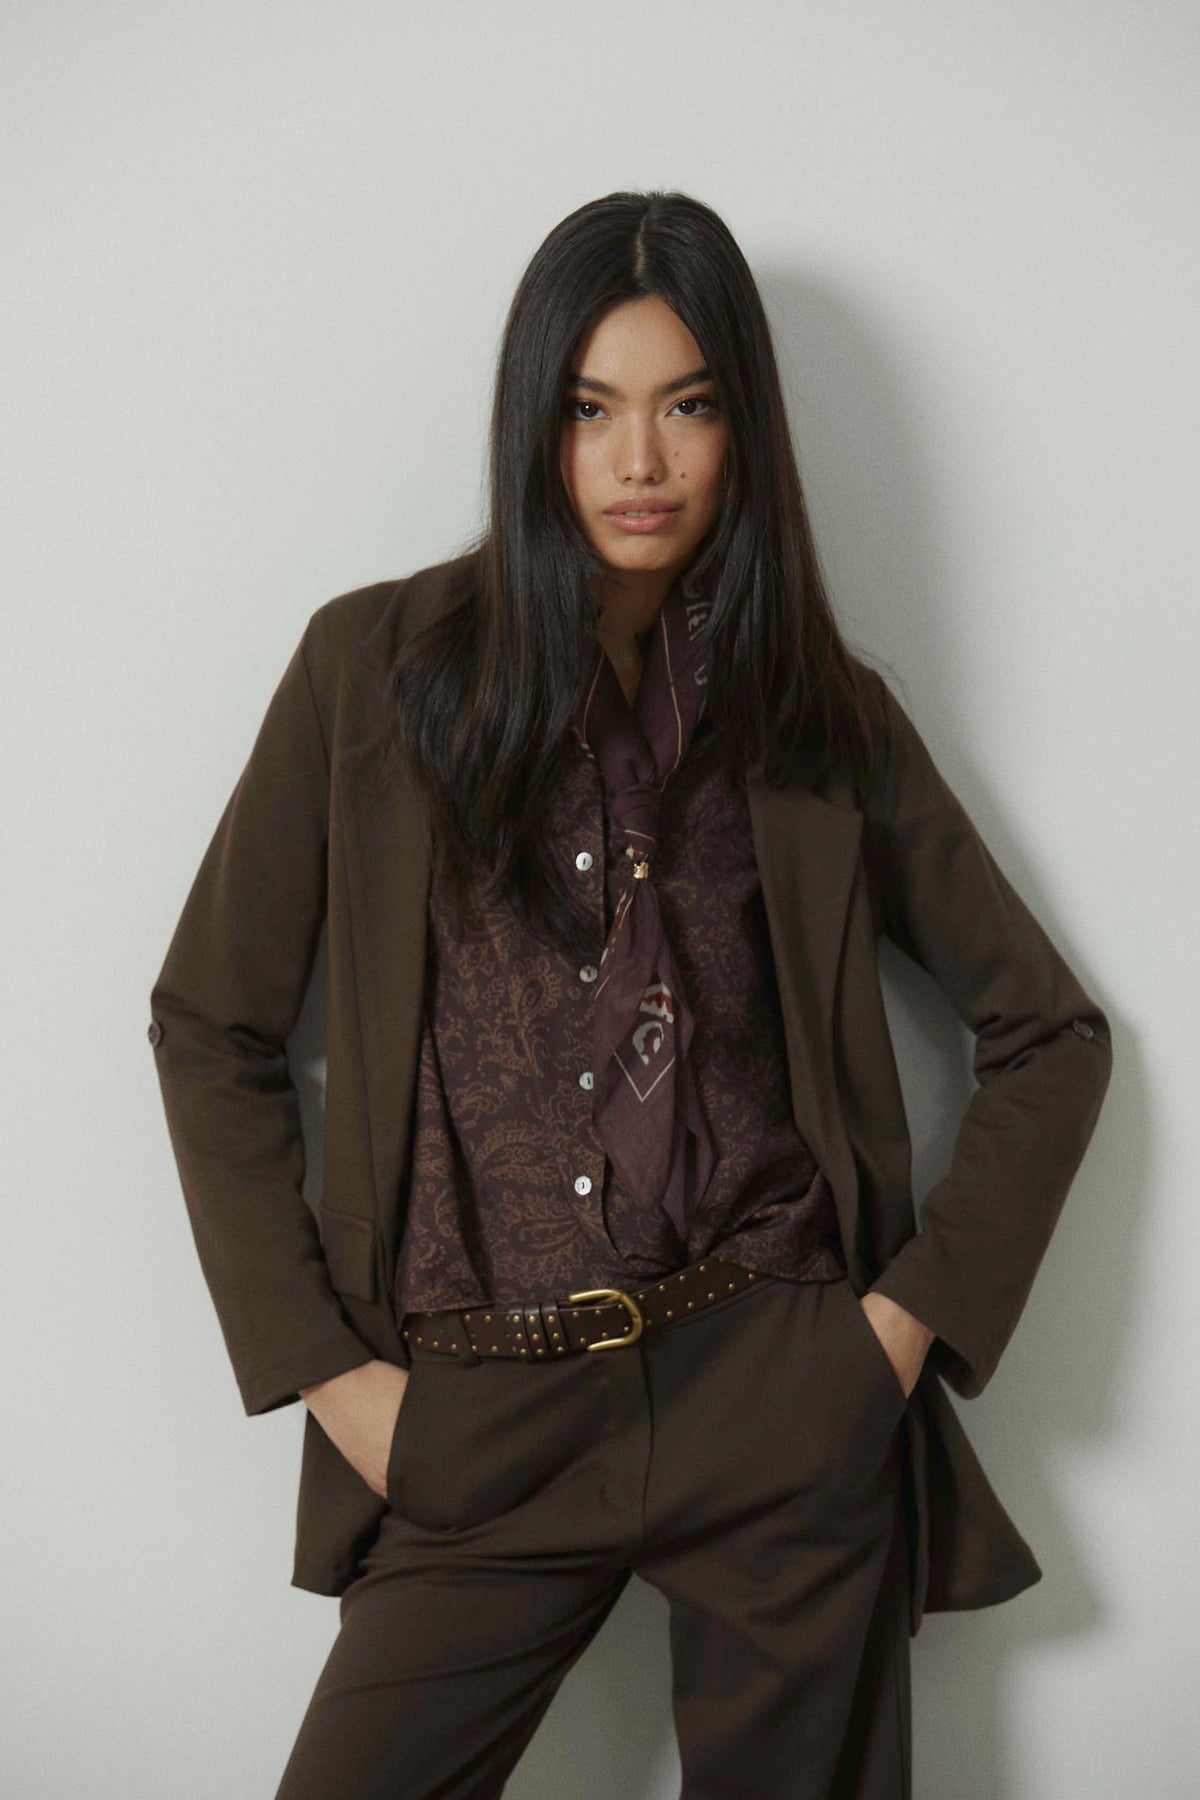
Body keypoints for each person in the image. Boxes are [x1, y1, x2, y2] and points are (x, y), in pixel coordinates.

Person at [147, 190, 1114, 1799]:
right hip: (476, 1414)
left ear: (745, 431)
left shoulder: (820, 718)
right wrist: (335, 1381)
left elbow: (1049, 1036)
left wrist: (885, 1343)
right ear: (534, 425)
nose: (640, 461)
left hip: (775, 1390)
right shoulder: (372, 678)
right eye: (592, 410)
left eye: (689, 406)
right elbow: (209, 1025)